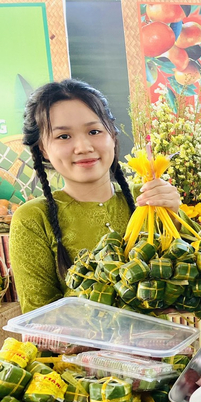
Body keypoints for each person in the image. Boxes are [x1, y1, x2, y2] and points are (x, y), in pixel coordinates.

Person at [9, 79, 181, 313]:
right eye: (63, 136)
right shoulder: (33, 218)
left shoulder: (149, 199)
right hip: (76, 352)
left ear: (112, 134)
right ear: (43, 148)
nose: (83, 147)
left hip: (161, 349)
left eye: (94, 131)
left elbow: (191, 289)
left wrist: (176, 220)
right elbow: (39, 319)